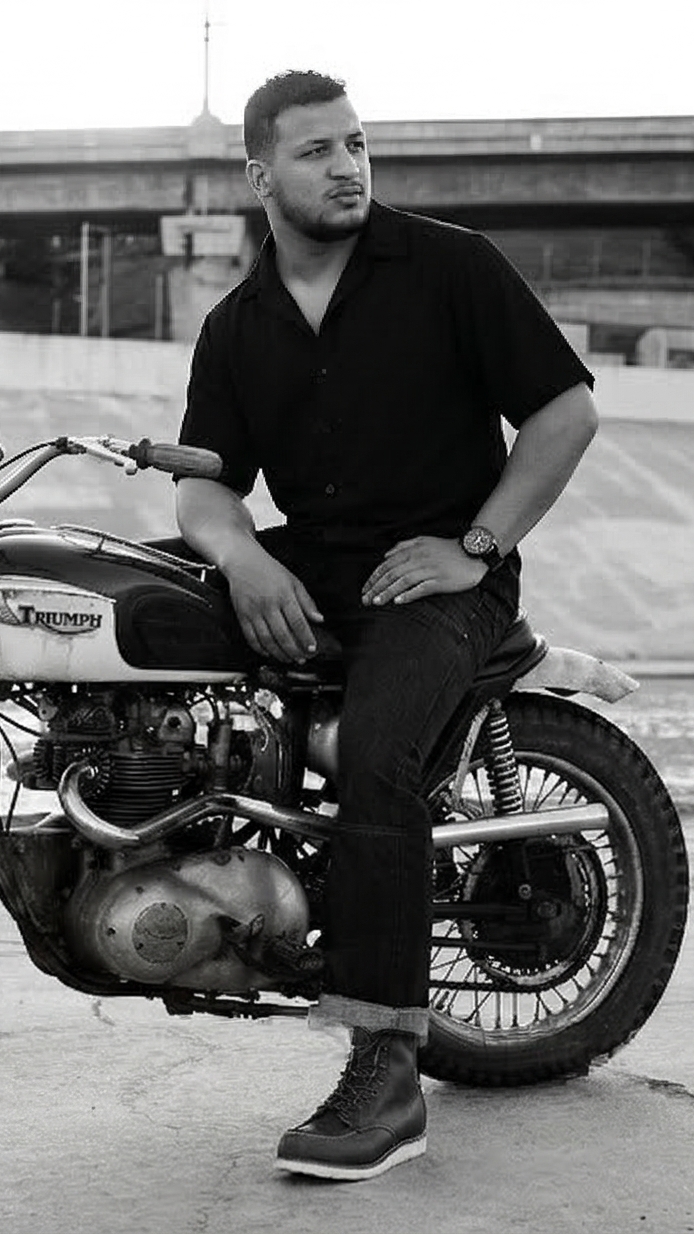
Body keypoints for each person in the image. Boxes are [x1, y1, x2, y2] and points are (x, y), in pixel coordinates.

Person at [174, 70, 600, 1180]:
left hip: (442, 578)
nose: (346, 166)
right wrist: (242, 557)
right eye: (316, 151)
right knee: (143, 613)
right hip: (313, 563)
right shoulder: (237, 324)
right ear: (260, 176)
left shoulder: (449, 266)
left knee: (377, 752)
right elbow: (206, 487)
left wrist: (476, 547)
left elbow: (565, 410)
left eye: (355, 145)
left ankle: (387, 1068)